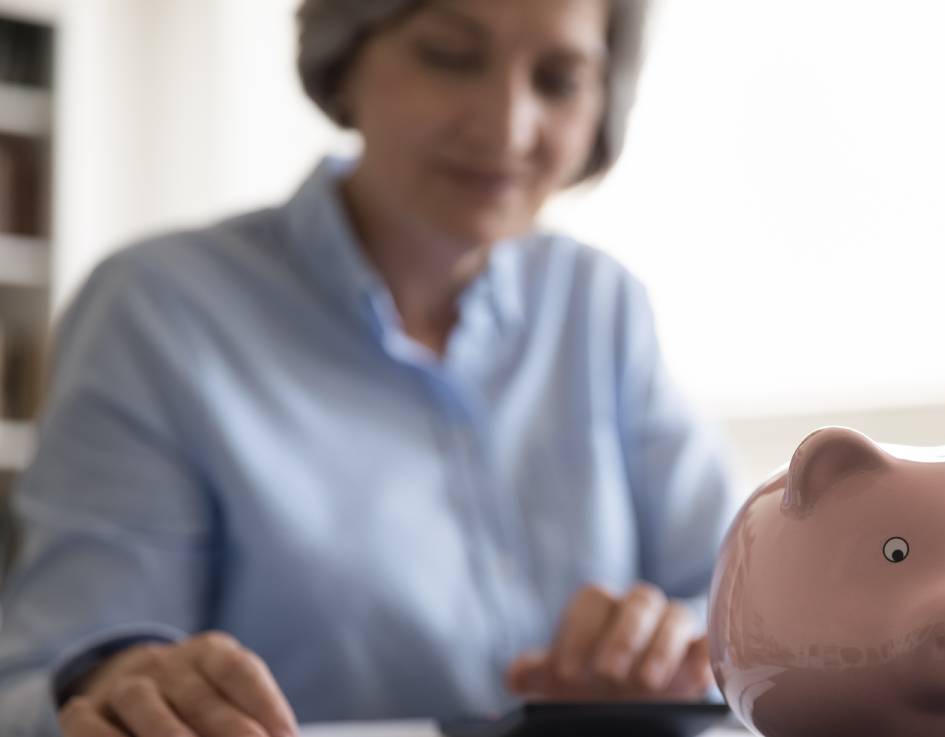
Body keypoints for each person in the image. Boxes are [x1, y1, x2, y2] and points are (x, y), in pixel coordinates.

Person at [0, 1, 739, 735]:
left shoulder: (600, 307)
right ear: (345, 57)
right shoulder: (158, 311)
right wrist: (112, 681)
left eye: (559, 79)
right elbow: (51, 670)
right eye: (449, 56)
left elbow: (740, 602)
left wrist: (672, 648)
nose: (507, 126)